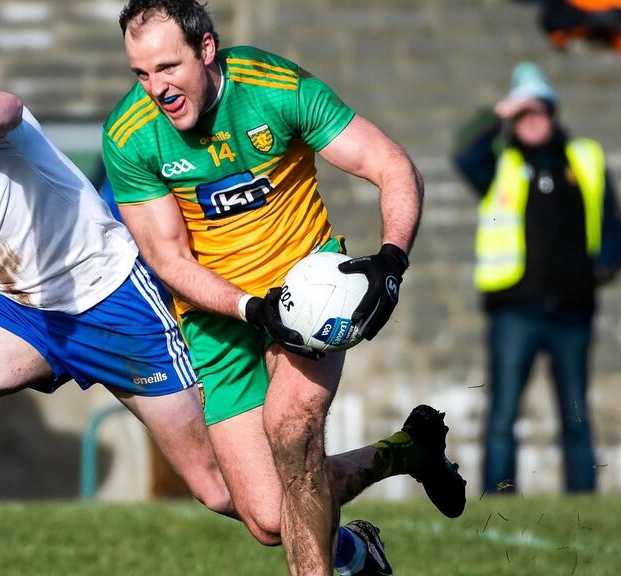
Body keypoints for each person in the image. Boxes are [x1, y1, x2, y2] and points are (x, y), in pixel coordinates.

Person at [0, 20, 458, 576]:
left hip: (121, 305)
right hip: (19, 312)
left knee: (244, 505)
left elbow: (5, 107)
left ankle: (392, 473)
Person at [103, 2, 466, 574]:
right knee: (270, 517)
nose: (157, 88)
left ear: (206, 49)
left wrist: (391, 262)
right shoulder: (130, 137)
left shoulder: (275, 88)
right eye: (141, 74)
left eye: (168, 67)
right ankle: (406, 454)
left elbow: (392, 166)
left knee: (291, 431)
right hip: (220, 315)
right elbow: (167, 259)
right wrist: (249, 308)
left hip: (309, 293)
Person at [453, 62, 620, 495]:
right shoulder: (499, 163)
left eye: (538, 110)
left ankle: (584, 500)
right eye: (522, 113)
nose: (532, 120)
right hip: (515, 311)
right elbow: (464, 151)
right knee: (504, 414)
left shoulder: (584, 156)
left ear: (552, 112)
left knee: (577, 415)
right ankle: (499, 496)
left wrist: (605, 263)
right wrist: (499, 113)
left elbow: (610, 219)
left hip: (572, 312)